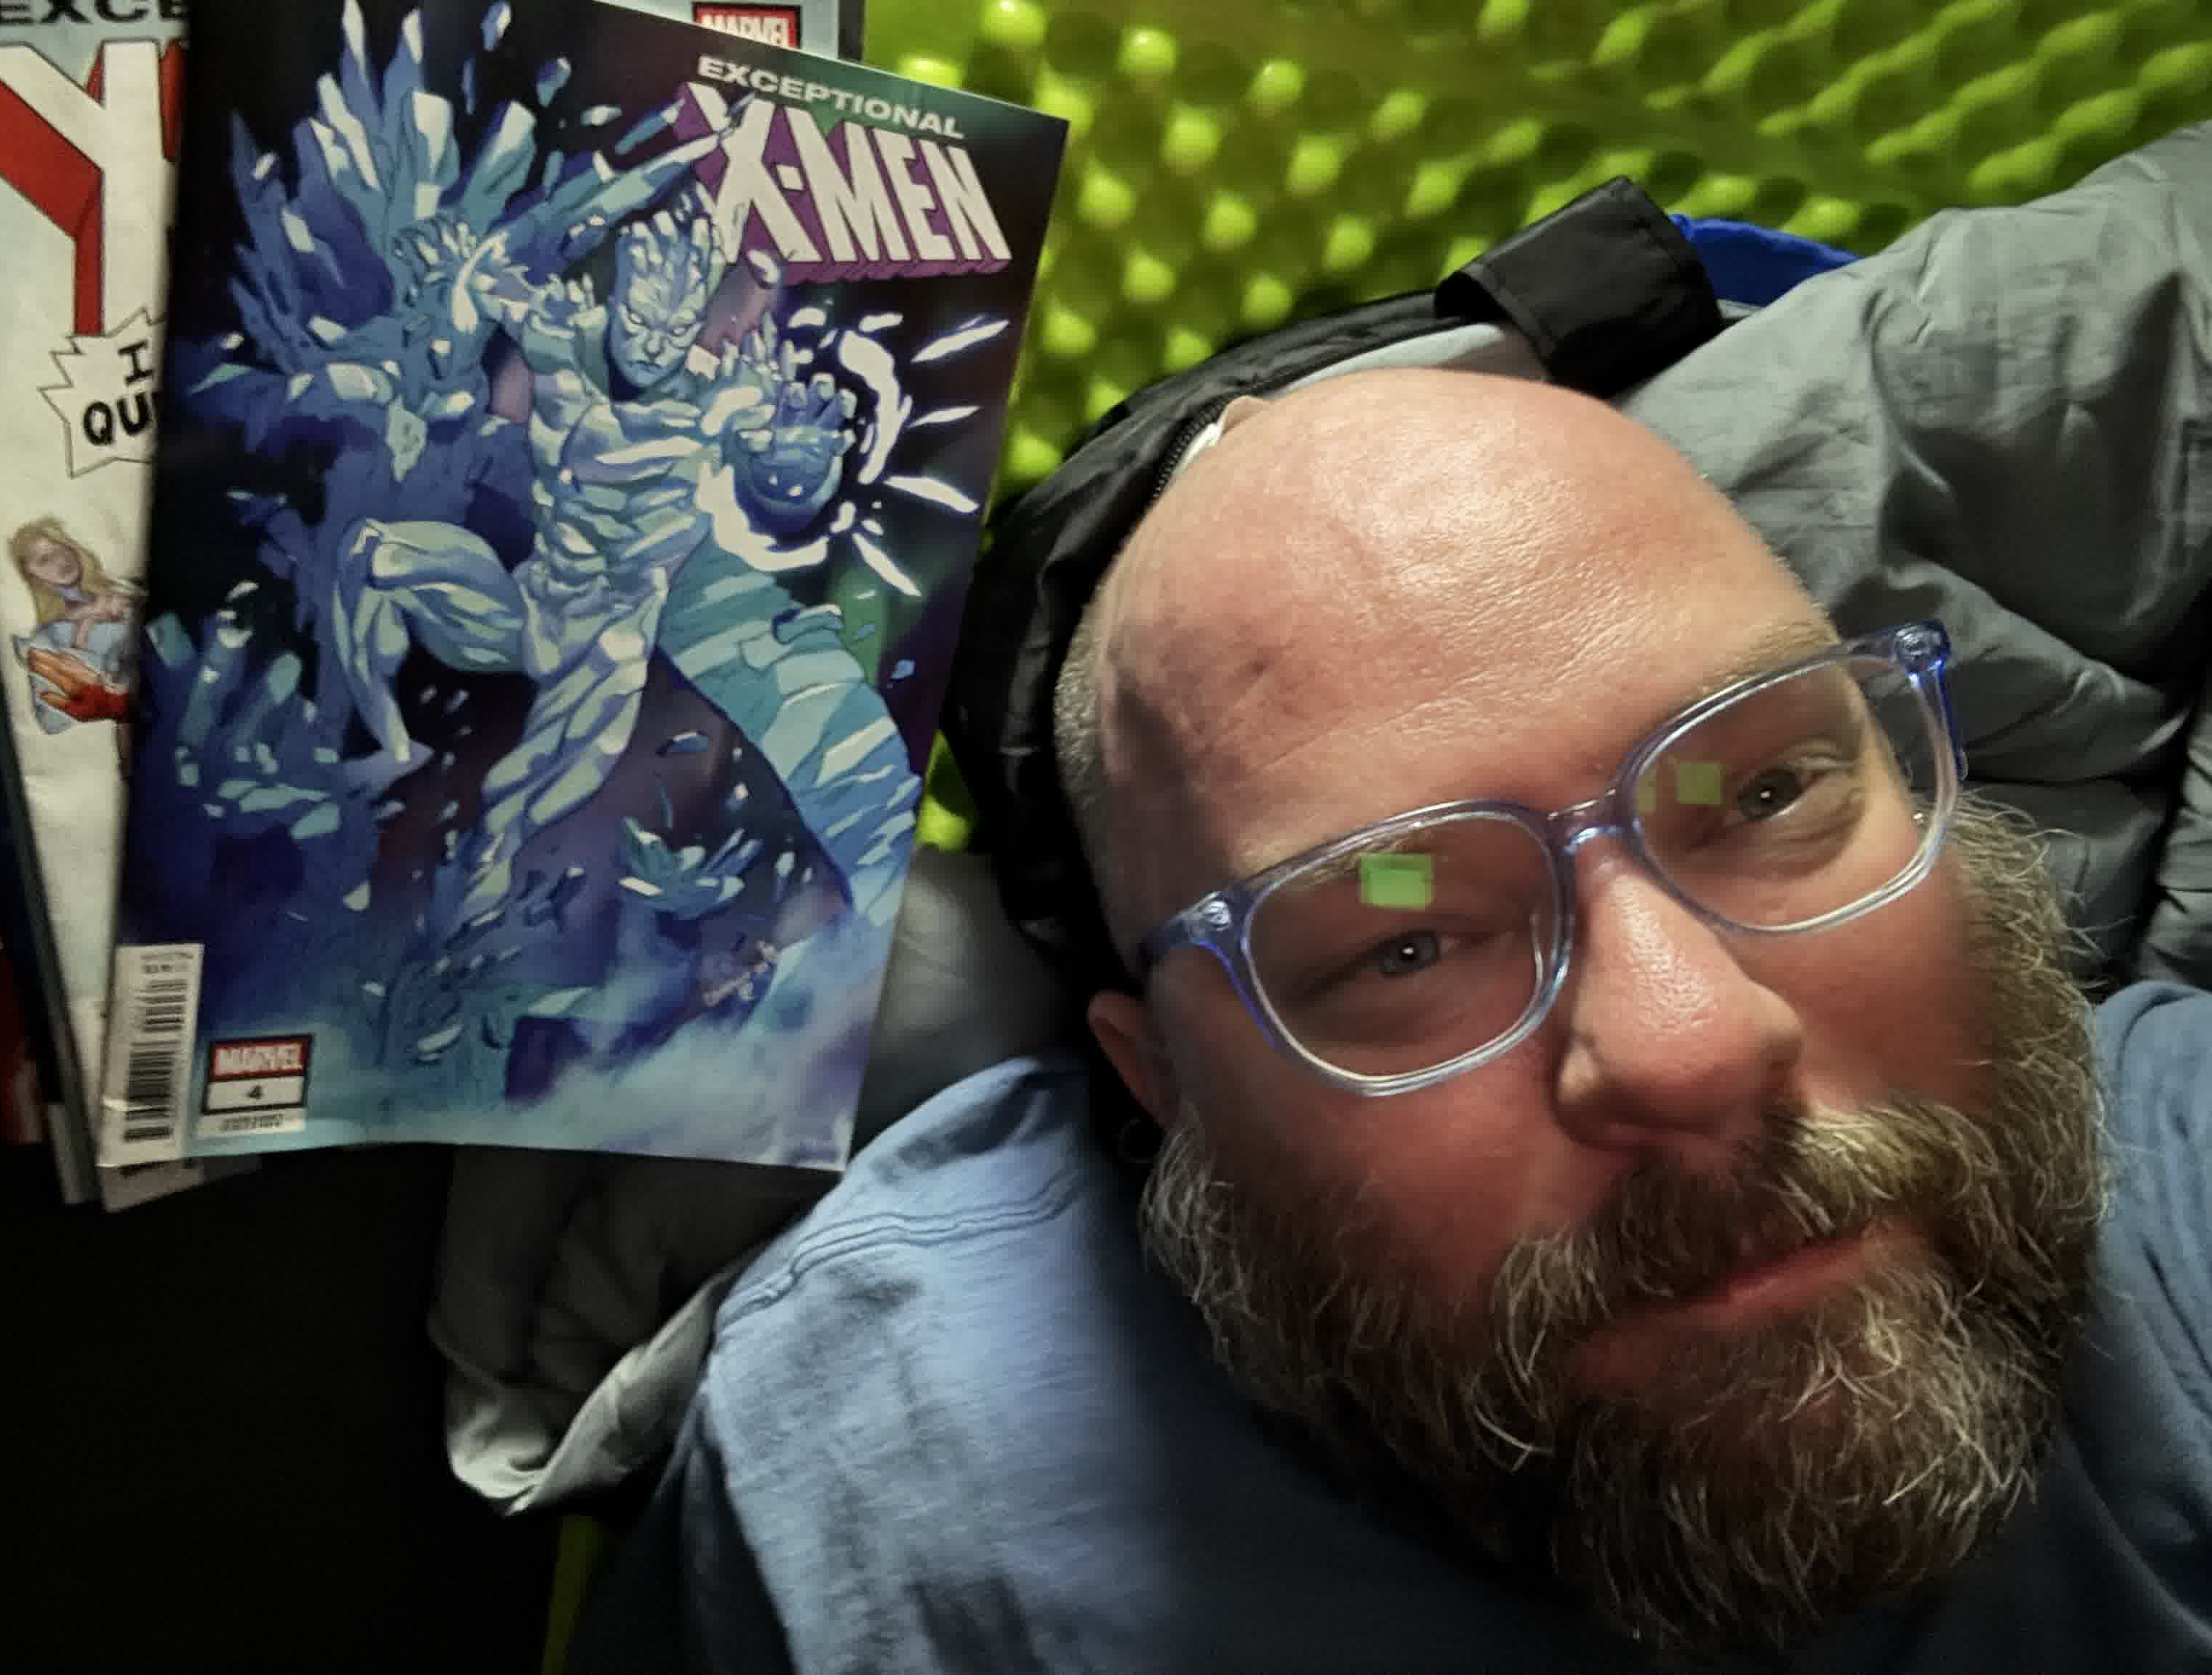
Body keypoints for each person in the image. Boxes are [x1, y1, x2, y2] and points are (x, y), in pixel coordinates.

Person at [571, 368, 2210, 1672]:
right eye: (1403, 947)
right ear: (1167, 1089)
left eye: (1770, 790)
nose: (1695, 1043)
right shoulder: (879, 1483)